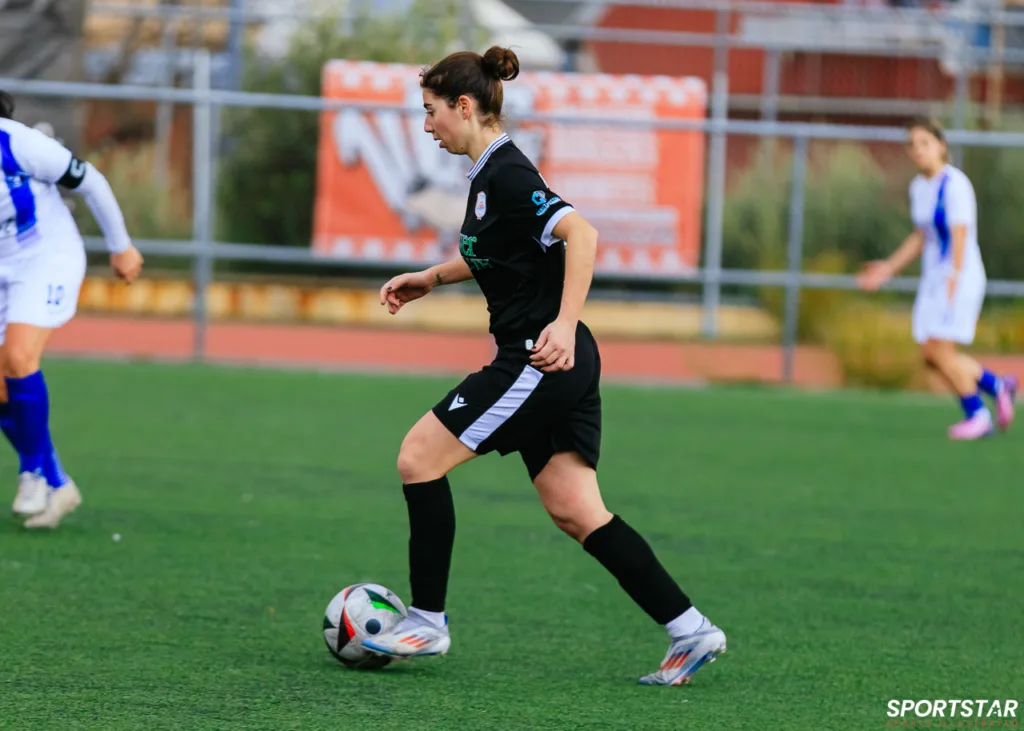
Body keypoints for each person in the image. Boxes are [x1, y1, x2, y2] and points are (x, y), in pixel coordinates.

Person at [360, 47, 727, 686]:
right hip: (559, 359)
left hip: (540, 356)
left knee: (418, 458)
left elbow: (581, 234)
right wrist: (432, 277)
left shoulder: (506, 172)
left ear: (464, 106)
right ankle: (690, 629)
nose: (427, 125)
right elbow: (500, 253)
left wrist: (561, 322)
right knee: (576, 511)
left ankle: (426, 620)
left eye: (431, 110)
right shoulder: (486, 175)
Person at [0, 91, 144, 528]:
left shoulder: (17, 143)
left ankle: (33, 474)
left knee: (18, 357)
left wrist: (121, 247)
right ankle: (58, 484)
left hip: (45, 256)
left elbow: (89, 180)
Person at [858, 117, 1017, 440]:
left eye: (925, 143)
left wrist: (954, 278)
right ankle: (997, 385)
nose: (918, 150)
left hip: (958, 277)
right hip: (934, 280)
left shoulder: (955, 184)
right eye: (912, 145)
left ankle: (978, 415)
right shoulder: (919, 187)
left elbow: (960, 235)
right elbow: (921, 236)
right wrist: (888, 268)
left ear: (941, 146)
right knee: (932, 357)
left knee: (939, 351)